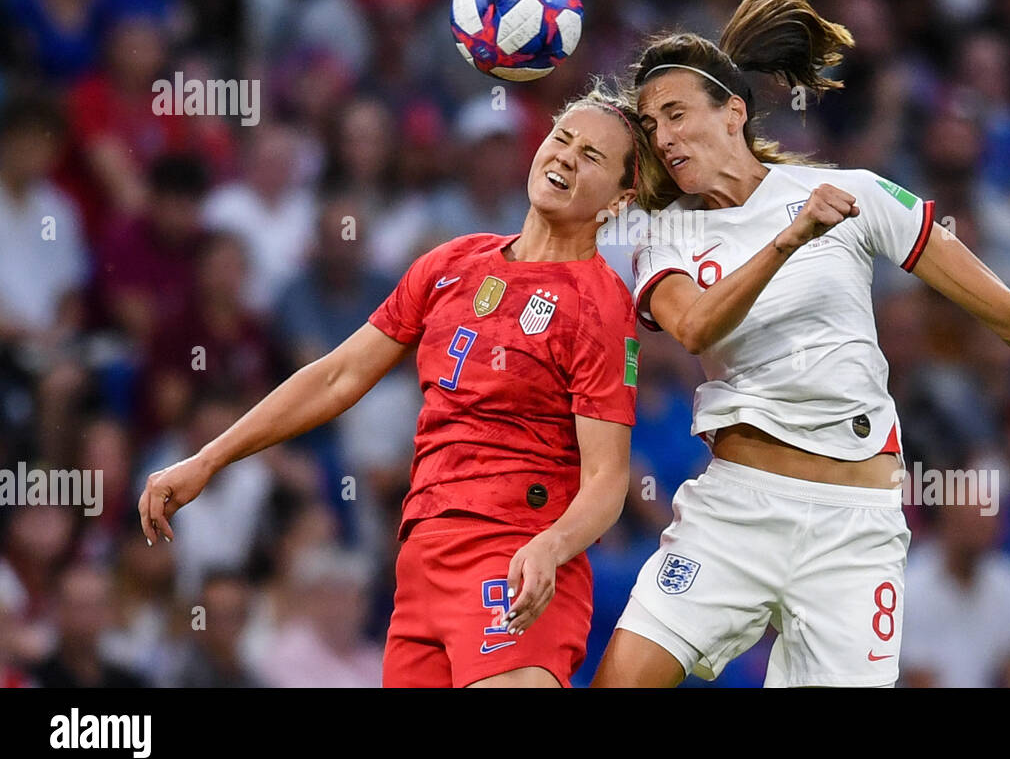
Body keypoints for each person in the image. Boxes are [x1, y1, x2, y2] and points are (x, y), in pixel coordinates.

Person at [592, 0, 1010, 689]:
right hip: (738, 505)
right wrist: (791, 236)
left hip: (856, 528)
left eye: (677, 113)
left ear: (734, 111)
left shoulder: (857, 194)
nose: (665, 137)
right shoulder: (668, 233)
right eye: (651, 126)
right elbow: (695, 324)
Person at [139, 85, 665, 688]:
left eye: (592, 156)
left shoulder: (600, 306)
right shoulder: (451, 264)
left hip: (514, 557)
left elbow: (607, 480)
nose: (567, 157)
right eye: (562, 138)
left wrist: (550, 547)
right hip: (418, 570)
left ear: (622, 200)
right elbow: (337, 375)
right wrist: (210, 459)